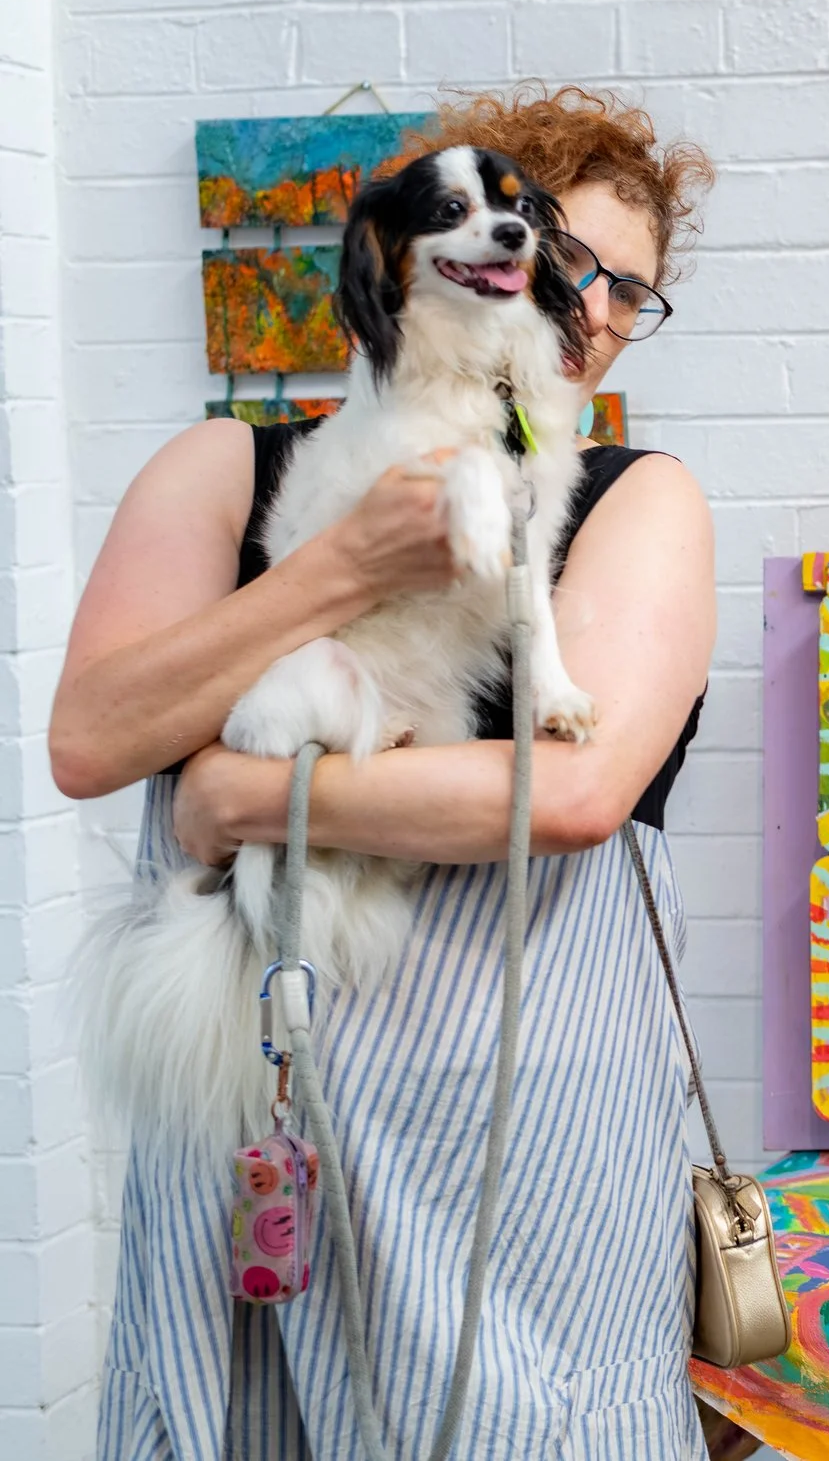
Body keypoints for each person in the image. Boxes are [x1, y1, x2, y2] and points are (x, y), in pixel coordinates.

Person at [54, 84, 719, 1458]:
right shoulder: (231, 469)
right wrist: (342, 567)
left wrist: (239, 798)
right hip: (263, 1133)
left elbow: (574, 797)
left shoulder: (629, 496)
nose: (586, 309)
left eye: (629, 292)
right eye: (571, 258)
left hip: (522, 1156)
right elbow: (90, 734)